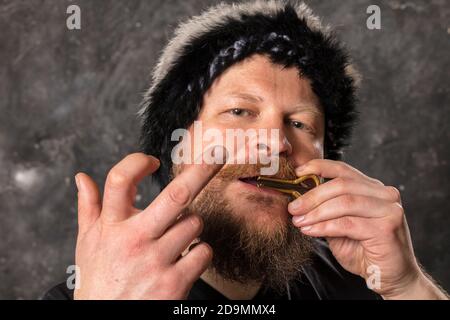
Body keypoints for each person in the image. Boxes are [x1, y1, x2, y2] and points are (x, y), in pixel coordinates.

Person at [43, 0, 448, 300]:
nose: (275, 143)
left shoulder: (355, 281)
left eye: (300, 123)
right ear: (176, 146)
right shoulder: (88, 293)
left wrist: (407, 285)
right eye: (239, 111)